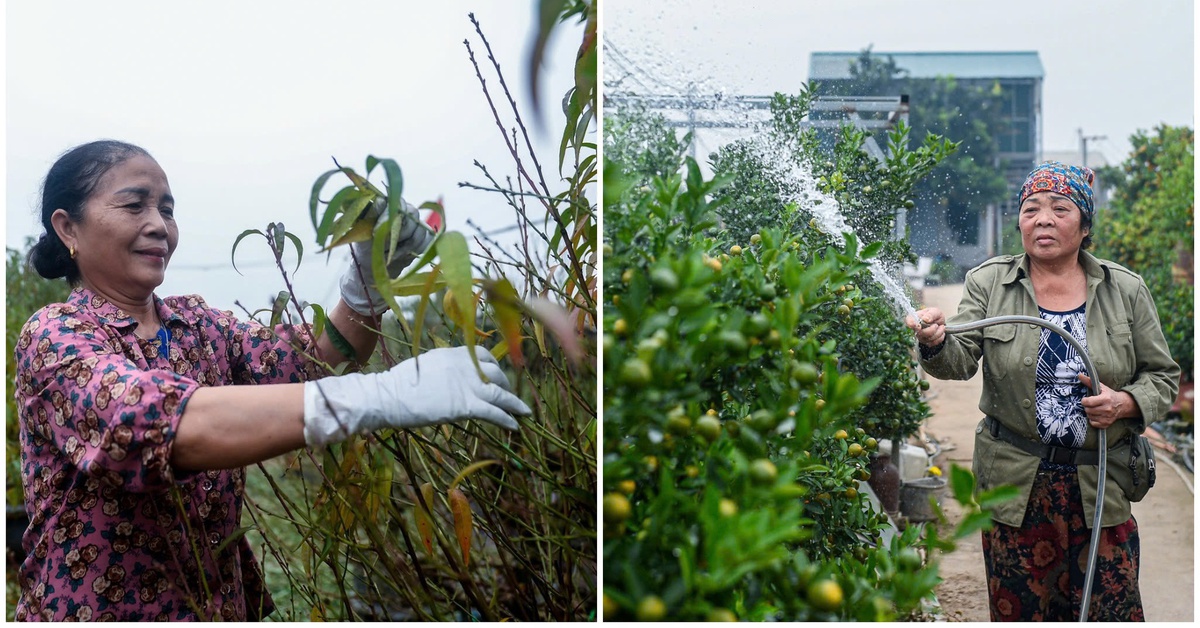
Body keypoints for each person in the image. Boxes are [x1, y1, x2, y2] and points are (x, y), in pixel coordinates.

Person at [12, 140, 532, 621]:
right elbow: (155, 423)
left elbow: (315, 361)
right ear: (68, 228)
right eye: (134, 206)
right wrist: (377, 393)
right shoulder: (55, 335)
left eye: (167, 210)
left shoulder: (197, 324)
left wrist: (368, 284)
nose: (159, 225)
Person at [907, 161, 1179, 621]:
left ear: (1085, 223)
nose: (1043, 219)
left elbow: (1162, 376)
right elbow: (958, 359)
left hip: (1101, 487)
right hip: (1017, 488)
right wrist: (934, 341)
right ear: (1019, 221)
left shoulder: (1125, 289)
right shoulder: (990, 282)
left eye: (1060, 208)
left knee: (1108, 611)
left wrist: (1124, 402)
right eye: (1031, 208)